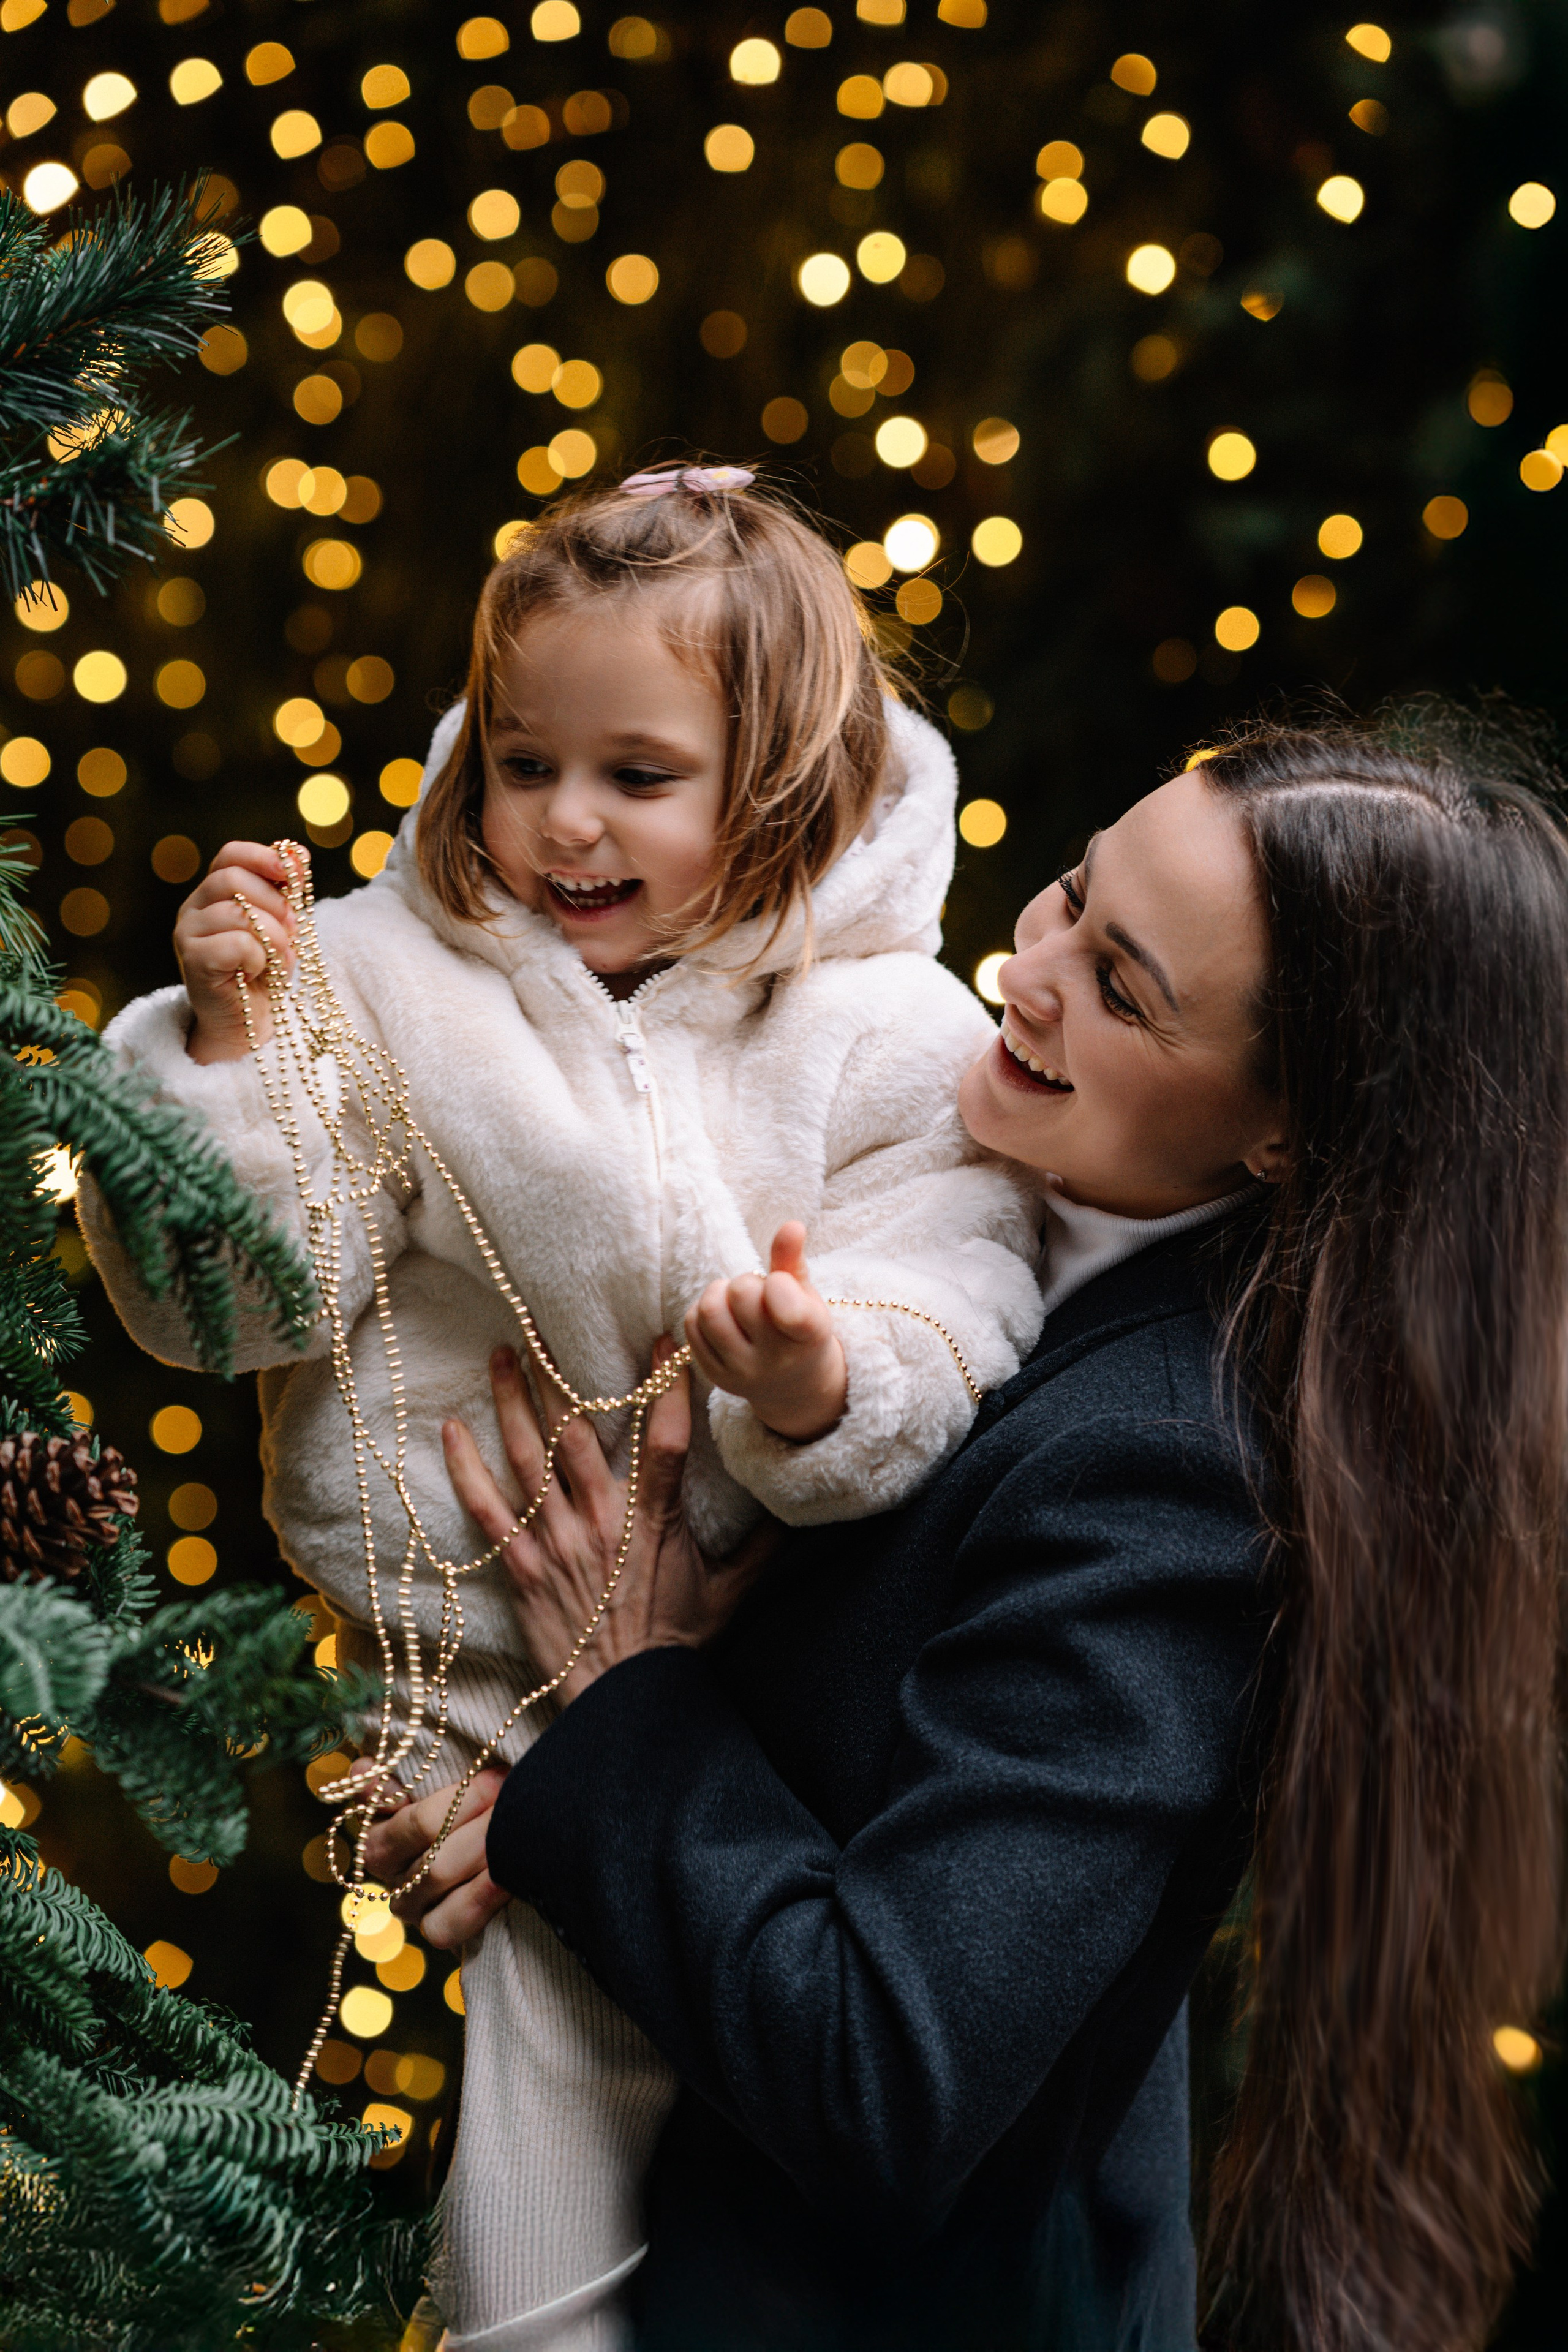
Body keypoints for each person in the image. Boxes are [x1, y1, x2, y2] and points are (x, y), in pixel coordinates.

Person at [371, 708, 1568, 2352]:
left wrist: (633, 1699)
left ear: (1288, 1133)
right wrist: (535, 1810)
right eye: (1075, 891)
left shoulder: (1176, 1474)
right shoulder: (973, 1211)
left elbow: (884, 2068)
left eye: (1127, 985)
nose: (1038, 961)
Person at [78, 468, 1044, 2352]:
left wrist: (822, 1372)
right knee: (554, 2040)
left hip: (775, 1658)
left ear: (780, 787)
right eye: (521, 764)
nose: (564, 824)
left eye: (638, 776)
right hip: (456, 1642)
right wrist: (216, 1048)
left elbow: (959, 1269)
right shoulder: (379, 980)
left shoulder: (895, 1028)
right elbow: (233, 1299)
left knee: (776, 2112)